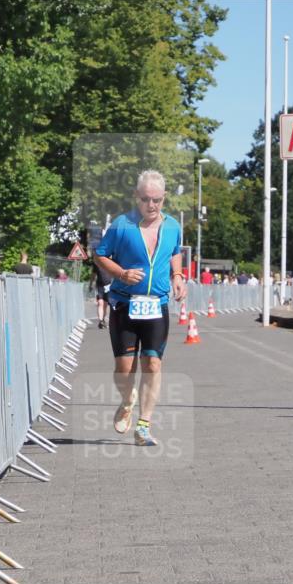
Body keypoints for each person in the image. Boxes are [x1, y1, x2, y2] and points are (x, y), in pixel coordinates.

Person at [94, 170, 186, 447]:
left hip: (156, 306)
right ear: (137, 197)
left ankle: (144, 425)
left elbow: (175, 252)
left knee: (153, 364)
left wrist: (178, 277)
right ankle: (127, 398)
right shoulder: (122, 225)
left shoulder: (172, 226)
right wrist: (121, 274)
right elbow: (100, 256)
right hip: (125, 305)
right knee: (124, 369)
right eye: (146, 199)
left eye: (157, 200)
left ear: (164, 198)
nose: (151, 205)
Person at [94, 258, 113, 330]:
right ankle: (100, 321)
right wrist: (90, 284)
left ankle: (103, 319)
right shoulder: (97, 264)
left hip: (109, 286)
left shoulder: (111, 263)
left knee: (105, 305)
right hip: (100, 286)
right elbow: (93, 275)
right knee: (100, 303)